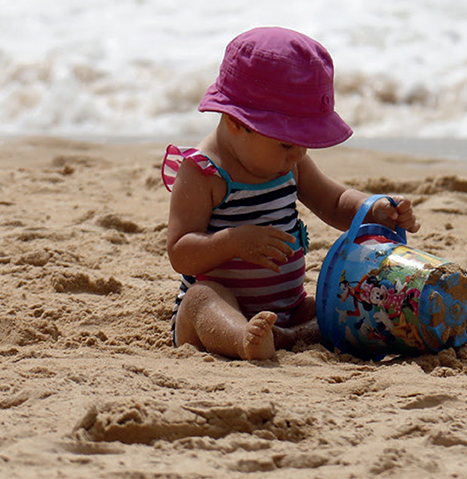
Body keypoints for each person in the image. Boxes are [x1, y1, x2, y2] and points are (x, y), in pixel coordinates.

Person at [162, 27, 419, 360]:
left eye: (305, 142)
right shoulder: (202, 172)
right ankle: (242, 338)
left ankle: (287, 336)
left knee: (331, 306)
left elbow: (334, 202)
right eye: (286, 142)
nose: (298, 153)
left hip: (287, 308)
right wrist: (234, 242)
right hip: (217, 310)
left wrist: (374, 210)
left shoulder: (290, 162)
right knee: (202, 298)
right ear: (235, 122)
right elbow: (181, 253)